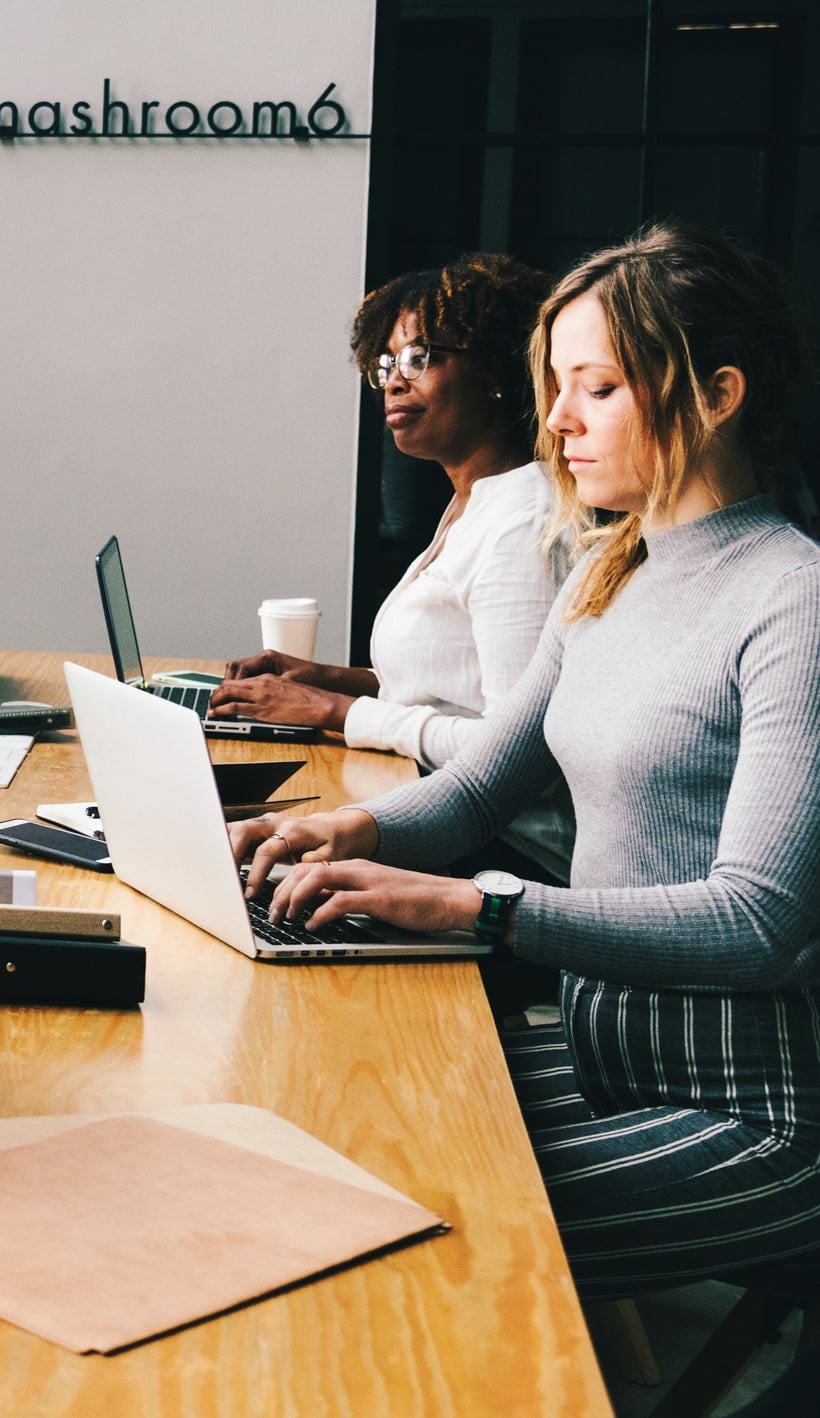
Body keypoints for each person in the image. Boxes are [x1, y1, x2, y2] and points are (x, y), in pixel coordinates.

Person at [230, 221, 820, 1298]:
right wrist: (338, 830)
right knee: (311, 1147)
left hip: (753, 1107)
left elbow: (756, 921)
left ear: (717, 393)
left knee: (404, 1249)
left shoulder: (795, 596)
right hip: (604, 1057)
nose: (554, 419)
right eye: (556, 384)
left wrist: (473, 906)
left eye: (594, 388)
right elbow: (477, 787)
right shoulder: (611, 568)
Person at [211, 253, 574, 883]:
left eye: (418, 358)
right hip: (437, 811)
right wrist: (334, 679)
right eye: (385, 364)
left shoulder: (522, 521)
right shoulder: (473, 502)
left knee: (238, 864)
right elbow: (452, 686)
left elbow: (514, 755)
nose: (393, 382)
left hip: (506, 855)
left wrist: (331, 709)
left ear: (492, 369)